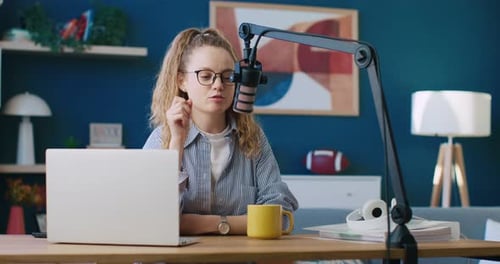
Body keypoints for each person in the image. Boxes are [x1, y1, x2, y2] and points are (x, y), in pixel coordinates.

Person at [143, 27, 298, 236]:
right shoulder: (161, 138)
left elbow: (280, 217)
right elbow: (153, 219)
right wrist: (177, 143)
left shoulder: (254, 139)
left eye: (227, 77)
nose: (218, 85)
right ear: (182, 81)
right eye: (205, 76)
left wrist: (202, 224)